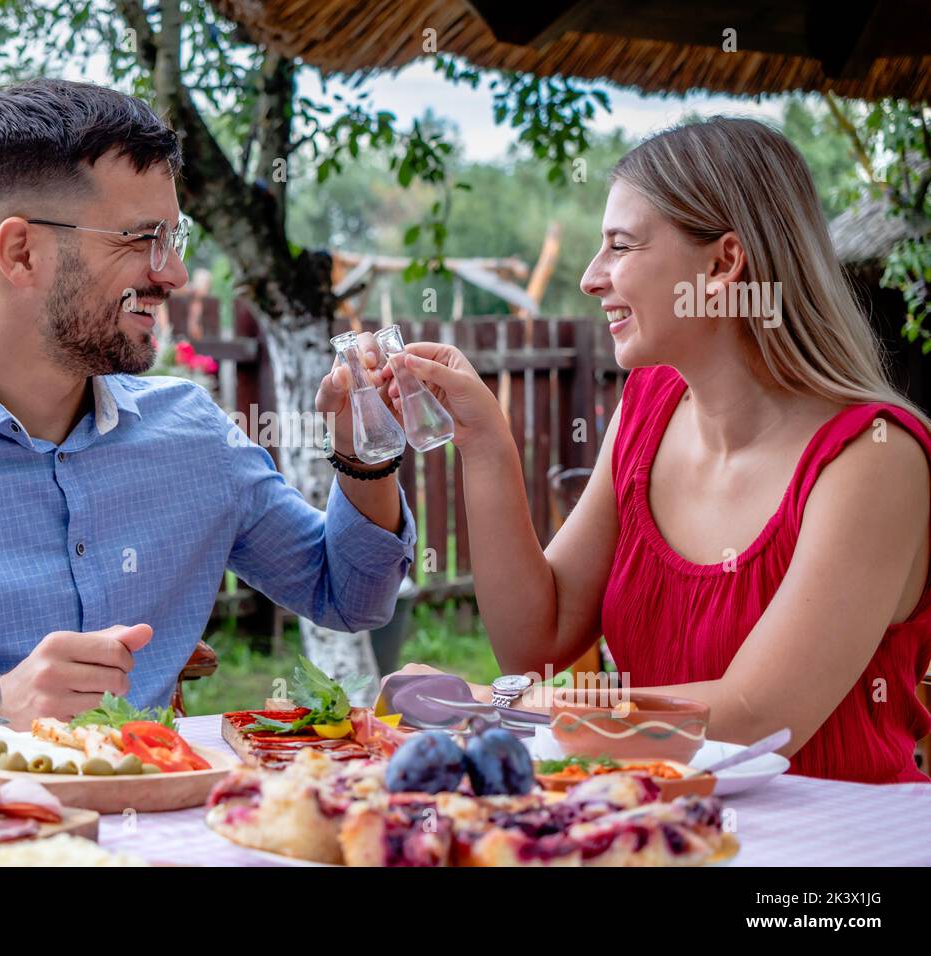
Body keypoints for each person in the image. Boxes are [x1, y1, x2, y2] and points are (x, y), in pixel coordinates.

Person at [0, 78, 416, 726]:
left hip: (178, 819)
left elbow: (348, 596)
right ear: (21, 252)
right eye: (142, 239)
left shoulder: (193, 437)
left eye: (174, 238)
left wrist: (366, 452)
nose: (172, 274)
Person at [387, 117, 931, 784]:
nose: (591, 277)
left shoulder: (874, 458)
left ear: (724, 262)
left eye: (621, 246)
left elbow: (752, 719)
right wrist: (483, 443)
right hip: (661, 839)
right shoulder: (648, 411)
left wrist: (494, 710)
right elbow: (540, 640)